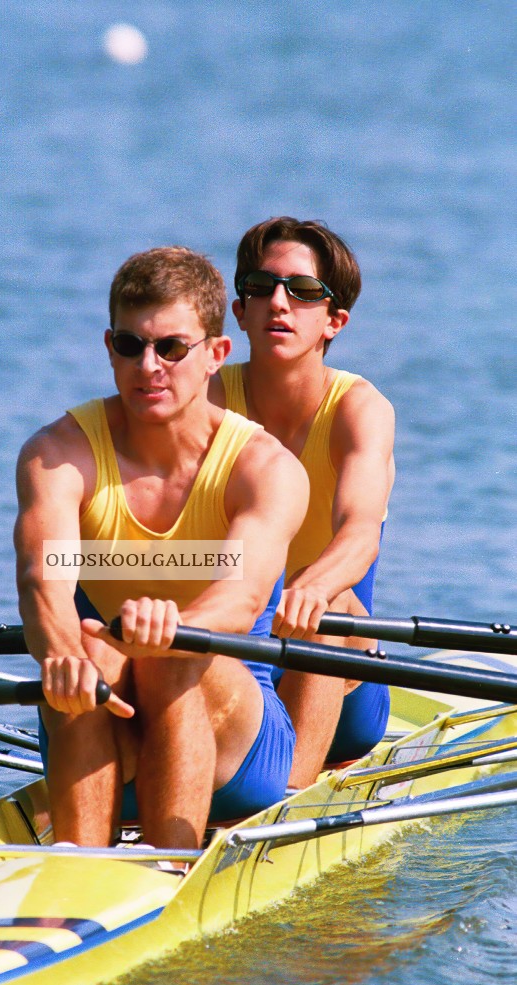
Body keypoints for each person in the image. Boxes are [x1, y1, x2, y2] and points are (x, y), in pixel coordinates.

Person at [14, 246, 309, 850]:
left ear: (215, 357)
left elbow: (243, 595)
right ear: (110, 348)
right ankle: (79, 876)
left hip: (239, 744)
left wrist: (176, 629)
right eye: (130, 346)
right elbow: (43, 578)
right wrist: (63, 656)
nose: (149, 366)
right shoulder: (60, 453)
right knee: (88, 653)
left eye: (171, 348)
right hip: (100, 702)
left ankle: (167, 867)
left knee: (169, 656)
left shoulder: (262, 468)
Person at [209, 217, 395, 787]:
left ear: (333, 321)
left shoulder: (359, 411)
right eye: (260, 287)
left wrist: (309, 590)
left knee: (332, 599)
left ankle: (289, 798)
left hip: (337, 671)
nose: (278, 303)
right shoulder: (206, 401)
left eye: (303, 290)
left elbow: (360, 533)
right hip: (236, 640)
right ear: (239, 312)